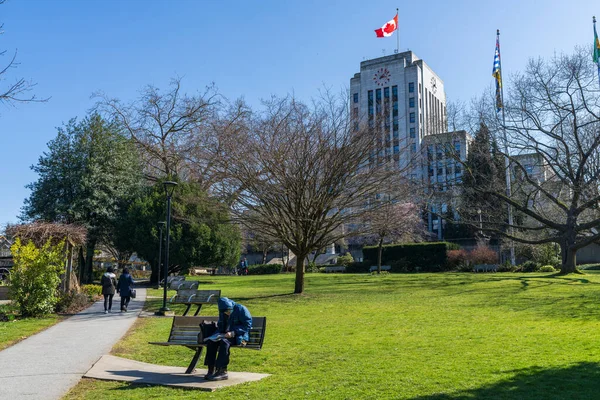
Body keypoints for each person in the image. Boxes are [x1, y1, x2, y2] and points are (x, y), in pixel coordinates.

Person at [203, 297, 252, 381]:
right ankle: (211, 369)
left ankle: (222, 371)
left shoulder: (241, 309)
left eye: (228, 311)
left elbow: (247, 325)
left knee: (224, 342)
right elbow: (220, 325)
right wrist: (216, 335)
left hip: (238, 336)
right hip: (225, 335)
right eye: (225, 312)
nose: (227, 313)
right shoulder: (223, 312)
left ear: (231, 307)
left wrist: (234, 332)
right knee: (211, 342)